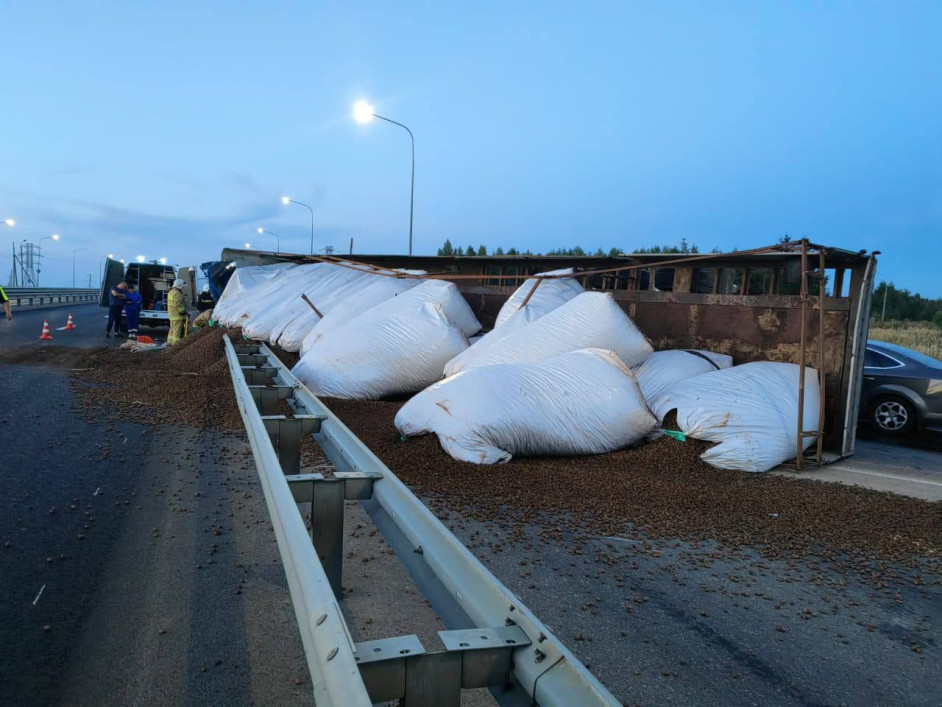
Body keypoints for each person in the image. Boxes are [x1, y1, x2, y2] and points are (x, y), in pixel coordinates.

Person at [167, 278, 187, 345]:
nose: (183, 287)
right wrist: (184, 312)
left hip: (172, 315)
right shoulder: (177, 293)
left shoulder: (171, 292)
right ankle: (175, 346)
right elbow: (178, 305)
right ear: (179, 285)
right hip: (177, 316)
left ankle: (169, 343)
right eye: (182, 286)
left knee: (172, 329)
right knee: (177, 331)